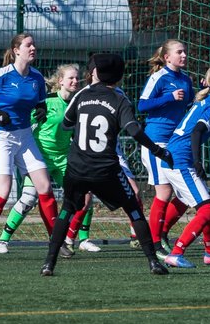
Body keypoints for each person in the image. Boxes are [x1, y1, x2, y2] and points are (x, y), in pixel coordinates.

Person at [42, 53, 173, 276]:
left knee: (67, 210)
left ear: (96, 73)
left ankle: (49, 263)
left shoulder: (82, 95)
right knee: (134, 209)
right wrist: (159, 151)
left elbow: (66, 124)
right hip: (106, 169)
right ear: (119, 77)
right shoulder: (119, 99)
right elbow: (134, 131)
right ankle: (153, 261)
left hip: (77, 168)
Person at [0, 32, 57, 262]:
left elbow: (40, 101)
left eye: (34, 44)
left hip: (25, 135)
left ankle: (57, 242)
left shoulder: (36, 77)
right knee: (3, 191)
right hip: (2, 137)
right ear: (16, 50)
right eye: (28, 45)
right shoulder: (3, 74)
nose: (33, 48)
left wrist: (42, 110)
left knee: (44, 187)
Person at [0, 63, 101, 255]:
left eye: (77, 78)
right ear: (60, 82)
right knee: (28, 199)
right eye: (71, 78)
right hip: (40, 156)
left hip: (63, 158)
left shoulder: (79, 103)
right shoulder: (48, 102)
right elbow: (27, 124)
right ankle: (3, 239)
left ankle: (80, 239)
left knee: (85, 195)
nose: (75, 81)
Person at [156, 65, 210, 268]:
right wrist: (196, 161)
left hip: (175, 156)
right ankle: (176, 252)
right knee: (207, 209)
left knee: (205, 204)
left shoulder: (208, 100)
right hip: (181, 159)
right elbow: (196, 132)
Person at [138, 39, 194, 248]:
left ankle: (160, 233)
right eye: (179, 52)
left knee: (185, 195)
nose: (184, 55)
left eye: (185, 51)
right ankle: (153, 242)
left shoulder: (186, 80)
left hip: (176, 142)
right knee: (164, 192)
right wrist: (168, 97)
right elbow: (142, 105)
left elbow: (188, 106)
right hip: (156, 142)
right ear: (167, 57)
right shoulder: (158, 78)